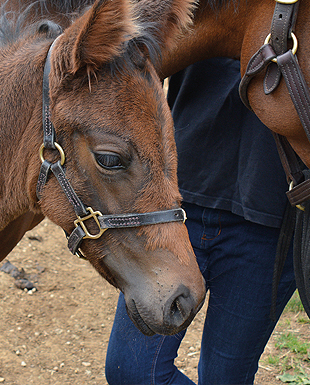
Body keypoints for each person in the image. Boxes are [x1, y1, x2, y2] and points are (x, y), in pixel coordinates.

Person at [105, 58, 298, 384]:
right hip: (175, 208)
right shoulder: (200, 4)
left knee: (227, 377)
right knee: (132, 371)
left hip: (271, 222)